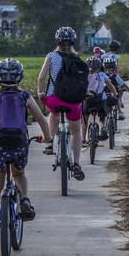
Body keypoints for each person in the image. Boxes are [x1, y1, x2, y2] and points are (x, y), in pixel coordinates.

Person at [0, 58, 50, 224]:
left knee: (0, 174)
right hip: (19, 142)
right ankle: (25, 200)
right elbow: (41, 119)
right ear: (19, 76)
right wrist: (48, 138)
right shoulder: (24, 96)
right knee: (19, 173)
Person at [37, 26, 86, 181]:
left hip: (53, 100)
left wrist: (40, 94)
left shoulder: (51, 56)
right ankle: (76, 164)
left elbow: (41, 77)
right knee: (76, 132)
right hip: (73, 103)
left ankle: (50, 142)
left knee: (54, 113)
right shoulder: (77, 58)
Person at [81, 56, 117, 146]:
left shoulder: (84, 75)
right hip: (100, 99)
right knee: (102, 116)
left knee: (85, 119)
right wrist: (114, 93)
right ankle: (103, 127)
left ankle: (83, 140)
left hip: (88, 100)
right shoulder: (102, 74)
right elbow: (110, 85)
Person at [101, 40, 127, 120]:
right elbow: (115, 68)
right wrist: (117, 74)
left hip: (103, 75)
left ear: (109, 48)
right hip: (111, 75)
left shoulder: (103, 55)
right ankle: (119, 100)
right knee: (120, 87)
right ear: (117, 49)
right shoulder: (115, 56)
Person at [103, 57, 129, 121]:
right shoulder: (116, 76)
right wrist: (128, 89)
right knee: (117, 98)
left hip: (104, 96)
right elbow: (123, 84)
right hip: (113, 95)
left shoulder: (102, 76)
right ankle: (120, 112)